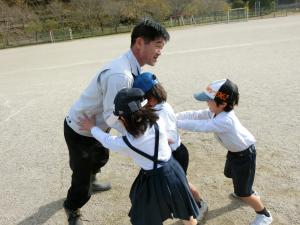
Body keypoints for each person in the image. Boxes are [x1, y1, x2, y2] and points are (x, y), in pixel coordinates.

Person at [63, 19, 170, 225]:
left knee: (101, 157)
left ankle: (91, 179)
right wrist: (139, 137)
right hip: (81, 130)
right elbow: (113, 116)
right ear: (140, 43)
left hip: (96, 127)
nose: (160, 51)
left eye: (161, 47)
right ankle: (72, 206)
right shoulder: (120, 75)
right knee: (81, 178)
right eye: (157, 45)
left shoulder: (133, 67)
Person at [78, 88, 200, 225]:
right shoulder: (157, 121)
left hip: (155, 179)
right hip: (174, 169)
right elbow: (164, 138)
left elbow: (106, 140)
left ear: (124, 118)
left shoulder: (129, 143)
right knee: (185, 211)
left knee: (146, 217)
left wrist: (92, 127)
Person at [176, 79, 273, 225]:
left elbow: (201, 126)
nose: (207, 103)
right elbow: (195, 115)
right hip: (235, 153)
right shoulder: (215, 112)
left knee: (243, 192)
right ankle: (245, 189)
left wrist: (174, 123)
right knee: (229, 174)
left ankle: (263, 214)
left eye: (209, 100)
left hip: (245, 155)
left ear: (222, 103)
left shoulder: (225, 120)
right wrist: (174, 116)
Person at [132, 72, 208, 221]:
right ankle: (195, 204)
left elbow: (171, 138)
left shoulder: (163, 111)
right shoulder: (157, 107)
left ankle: (199, 204)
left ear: (151, 98)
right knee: (182, 184)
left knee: (183, 186)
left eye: (141, 99)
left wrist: (151, 139)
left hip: (176, 154)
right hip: (169, 155)